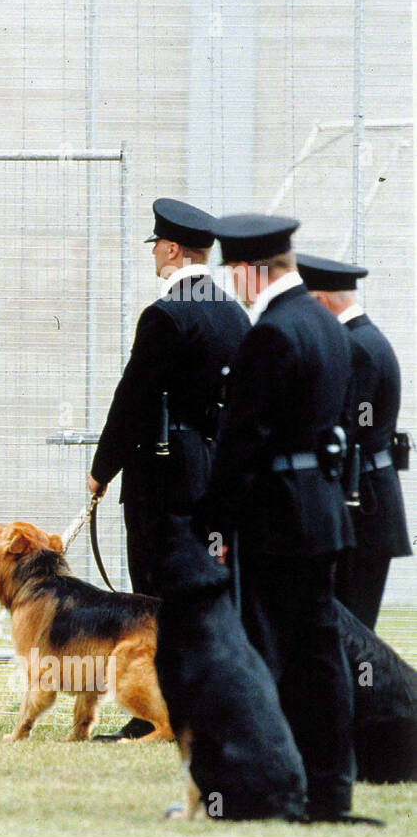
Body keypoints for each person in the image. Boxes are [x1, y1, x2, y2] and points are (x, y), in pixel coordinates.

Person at [205, 213, 375, 825]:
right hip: (321, 512)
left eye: (234, 273)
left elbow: (240, 443)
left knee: (267, 657)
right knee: (319, 657)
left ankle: (269, 788)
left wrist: (215, 528)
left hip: (276, 518)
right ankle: (329, 793)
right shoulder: (325, 325)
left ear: (252, 270)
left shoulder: (272, 333)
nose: (232, 285)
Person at [87, 198, 248, 741]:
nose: (155, 252)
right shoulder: (233, 312)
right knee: (200, 595)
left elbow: (133, 398)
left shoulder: (165, 314)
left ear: (173, 249)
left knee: (150, 599)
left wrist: (101, 468)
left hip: (163, 472)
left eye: (157, 243)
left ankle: (154, 712)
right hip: (213, 473)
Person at [297, 253, 409, 631]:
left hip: (363, 508)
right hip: (369, 504)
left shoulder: (357, 346)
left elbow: (353, 423)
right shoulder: (364, 338)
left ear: (319, 301)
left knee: (354, 635)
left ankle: (360, 692)